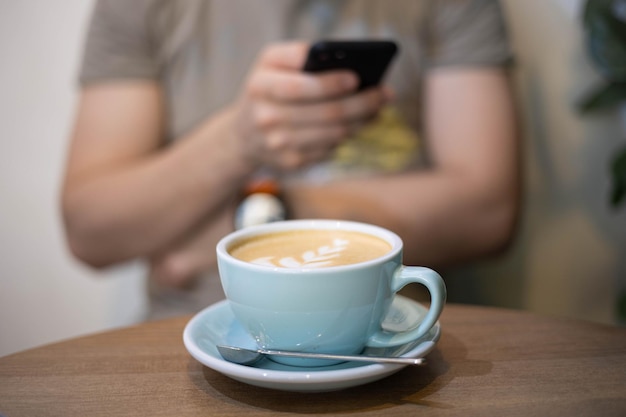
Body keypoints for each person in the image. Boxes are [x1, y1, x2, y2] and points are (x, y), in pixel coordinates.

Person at [61, 0, 520, 320]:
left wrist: (243, 227)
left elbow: (489, 212)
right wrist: (239, 141)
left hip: (385, 327)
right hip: (192, 326)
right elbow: (89, 229)